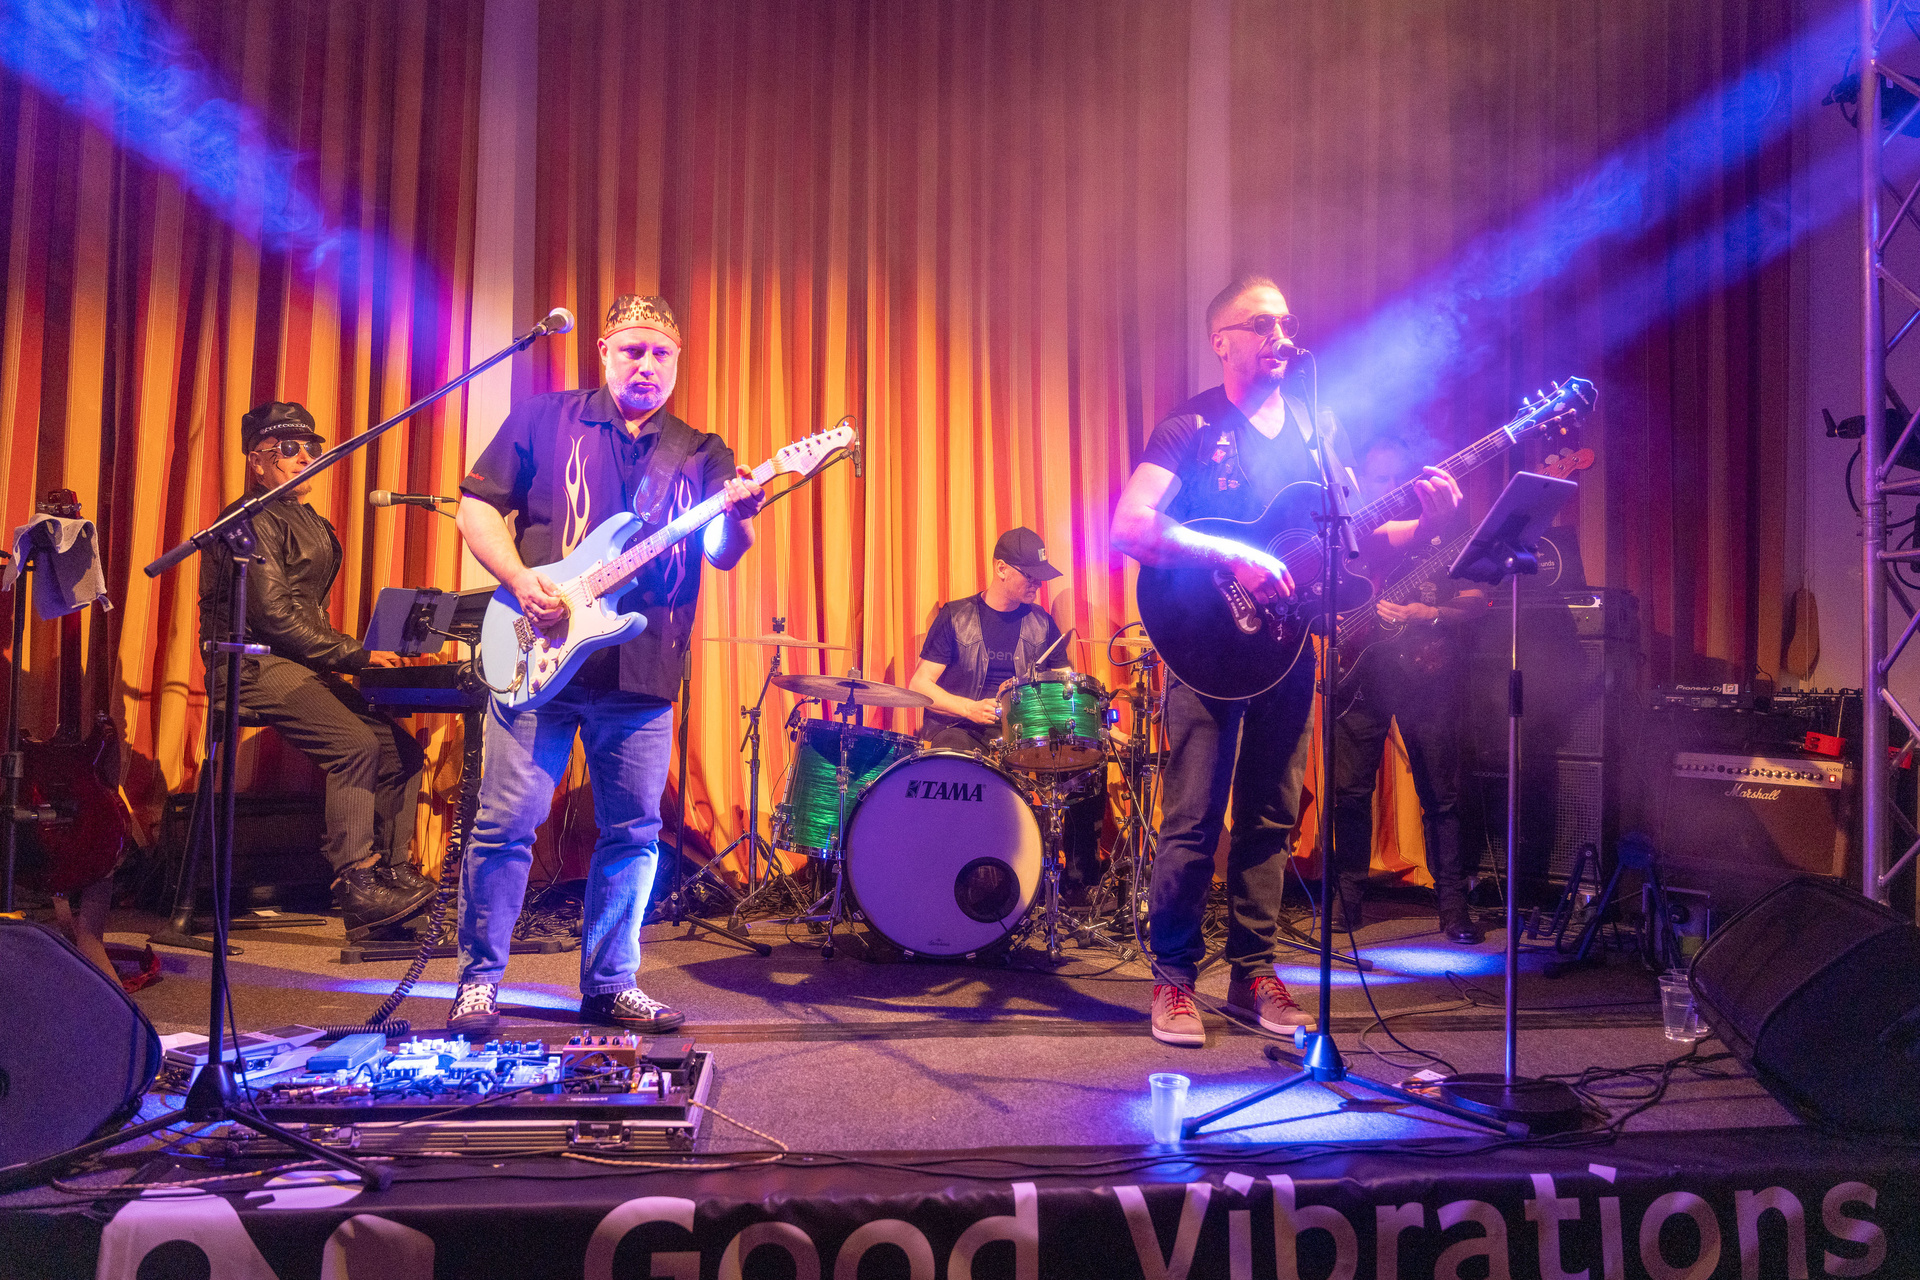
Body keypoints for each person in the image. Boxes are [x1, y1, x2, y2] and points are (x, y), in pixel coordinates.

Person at [1111, 275, 1462, 1046]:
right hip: (1203, 644)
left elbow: (1354, 543)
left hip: (1287, 647)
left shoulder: (1315, 430)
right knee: (1194, 819)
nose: (1280, 337)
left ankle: (1252, 972)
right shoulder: (1190, 427)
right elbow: (1129, 526)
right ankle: (1173, 979)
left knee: (1271, 817)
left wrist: (1430, 524)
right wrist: (1229, 554)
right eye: (1262, 324)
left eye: (1287, 324)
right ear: (1222, 341)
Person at [449, 295, 765, 1034]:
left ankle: (611, 982)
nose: (647, 365)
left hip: (642, 666)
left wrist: (738, 516)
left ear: (678, 360)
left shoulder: (700, 451)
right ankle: (478, 982)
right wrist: (521, 580)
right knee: (504, 825)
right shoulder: (544, 418)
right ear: (604, 351)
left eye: (661, 353)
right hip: (536, 654)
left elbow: (721, 554)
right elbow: (475, 507)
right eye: (633, 351)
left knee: (632, 833)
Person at [196, 401, 433, 941]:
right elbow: (274, 616)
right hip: (249, 661)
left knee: (400, 752)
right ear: (258, 461)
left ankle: (392, 875)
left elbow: (303, 614)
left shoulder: (307, 519)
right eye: (289, 448)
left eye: (312, 447)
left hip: (294, 660)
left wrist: (356, 652)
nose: (305, 457)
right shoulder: (247, 519)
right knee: (355, 745)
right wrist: (354, 654)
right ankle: (357, 881)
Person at [1330, 437, 1487, 945]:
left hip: (1428, 675)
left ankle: (1453, 909)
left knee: (1441, 796)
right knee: (1350, 794)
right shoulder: (1355, 536)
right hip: (1361, 673)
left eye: (1394, 480)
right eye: (1377, 480)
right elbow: (1327, 599)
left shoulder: (1450, 533)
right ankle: (1346, 905)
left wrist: (1430, 612)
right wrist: (1337, 619)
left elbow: (1478, 601)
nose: (1387, 490)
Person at [908, 527, 1102, 901]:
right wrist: (969, 707)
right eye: (1030, 576)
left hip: (1022, 732)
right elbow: (920, 684)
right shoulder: (956, 616)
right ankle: (959, 878)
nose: (1038, 585)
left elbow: (1065, 684)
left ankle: (1077, 885)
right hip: (964, 728)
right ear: (1001, 569)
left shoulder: (1042, 622)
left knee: (1086, 761)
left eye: (1040, 578)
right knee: (954, 756)